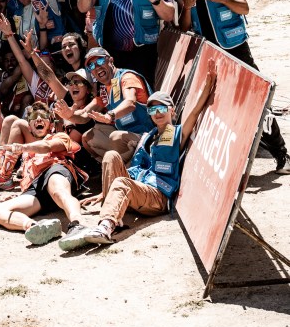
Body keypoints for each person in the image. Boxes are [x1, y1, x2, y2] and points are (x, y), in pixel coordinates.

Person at [59, 69, 216, 251]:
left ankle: (105, 226)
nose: (157, 113)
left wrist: (206, 89)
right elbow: (135, 168)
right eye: (152, 109)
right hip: (141, 188)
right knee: (111, 156)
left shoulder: (176, 133)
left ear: (172, 110)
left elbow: (194, 114)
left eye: (162, 108)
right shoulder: (149, 136)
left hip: (158, 195)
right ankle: (111, 209)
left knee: (122, 183)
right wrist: (105, 192)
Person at [176, 0, 289, 174]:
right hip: (210, 55)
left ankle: (281, 155)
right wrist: (187, 8)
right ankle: (232, 163)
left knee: (259, 102)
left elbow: (245, 8)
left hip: (237, 50)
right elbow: (184, 28)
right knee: (221, 108)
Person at [0, 102, 85, 246]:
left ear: (51, 124)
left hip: (54, 169)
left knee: (59, 191)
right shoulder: (27, 155)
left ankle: (78, 225)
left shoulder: (59, 136)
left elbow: (47, 146)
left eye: (43, 116)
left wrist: (23, 147)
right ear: (29, 126)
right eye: (34, 116)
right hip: (35, 189)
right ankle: (35, 227)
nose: (39, 119)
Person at [79, 48, 152, 164]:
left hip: (147, 135)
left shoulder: (127, 77)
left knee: (116, 137)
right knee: (87, 138)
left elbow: (130, 102)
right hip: (128, 136)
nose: (97, 67)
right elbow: (83, 114)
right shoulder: (106, 89)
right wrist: (67, 114)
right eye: (91, 66)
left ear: (111, 60)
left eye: (100, 61)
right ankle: (114, 165)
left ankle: (128, 166)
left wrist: (110, 115)